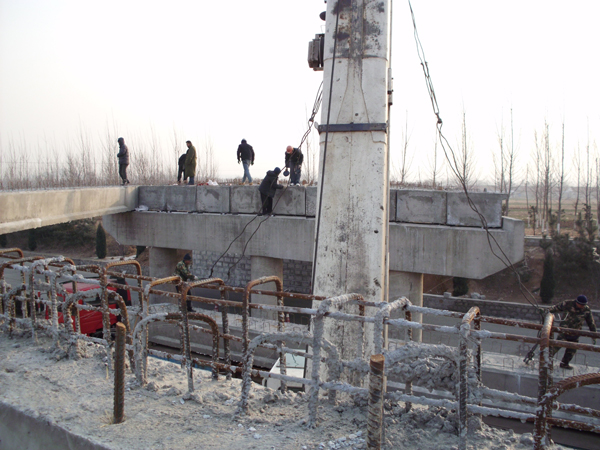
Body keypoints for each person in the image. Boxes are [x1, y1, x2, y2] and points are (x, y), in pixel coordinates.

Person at [548, 295, 597, 370]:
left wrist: (594, 336)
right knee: (556, 346)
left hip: (575, 333)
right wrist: (546, 311)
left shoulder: (586, 310)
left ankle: (564, 363)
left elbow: (591, 323)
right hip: (564, 331)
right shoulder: (568, 304)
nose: (582, 306)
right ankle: (546, 361)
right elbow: (555, 308)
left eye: (584, 305)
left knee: (571, 350)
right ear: (577, 302)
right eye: (581, 305)